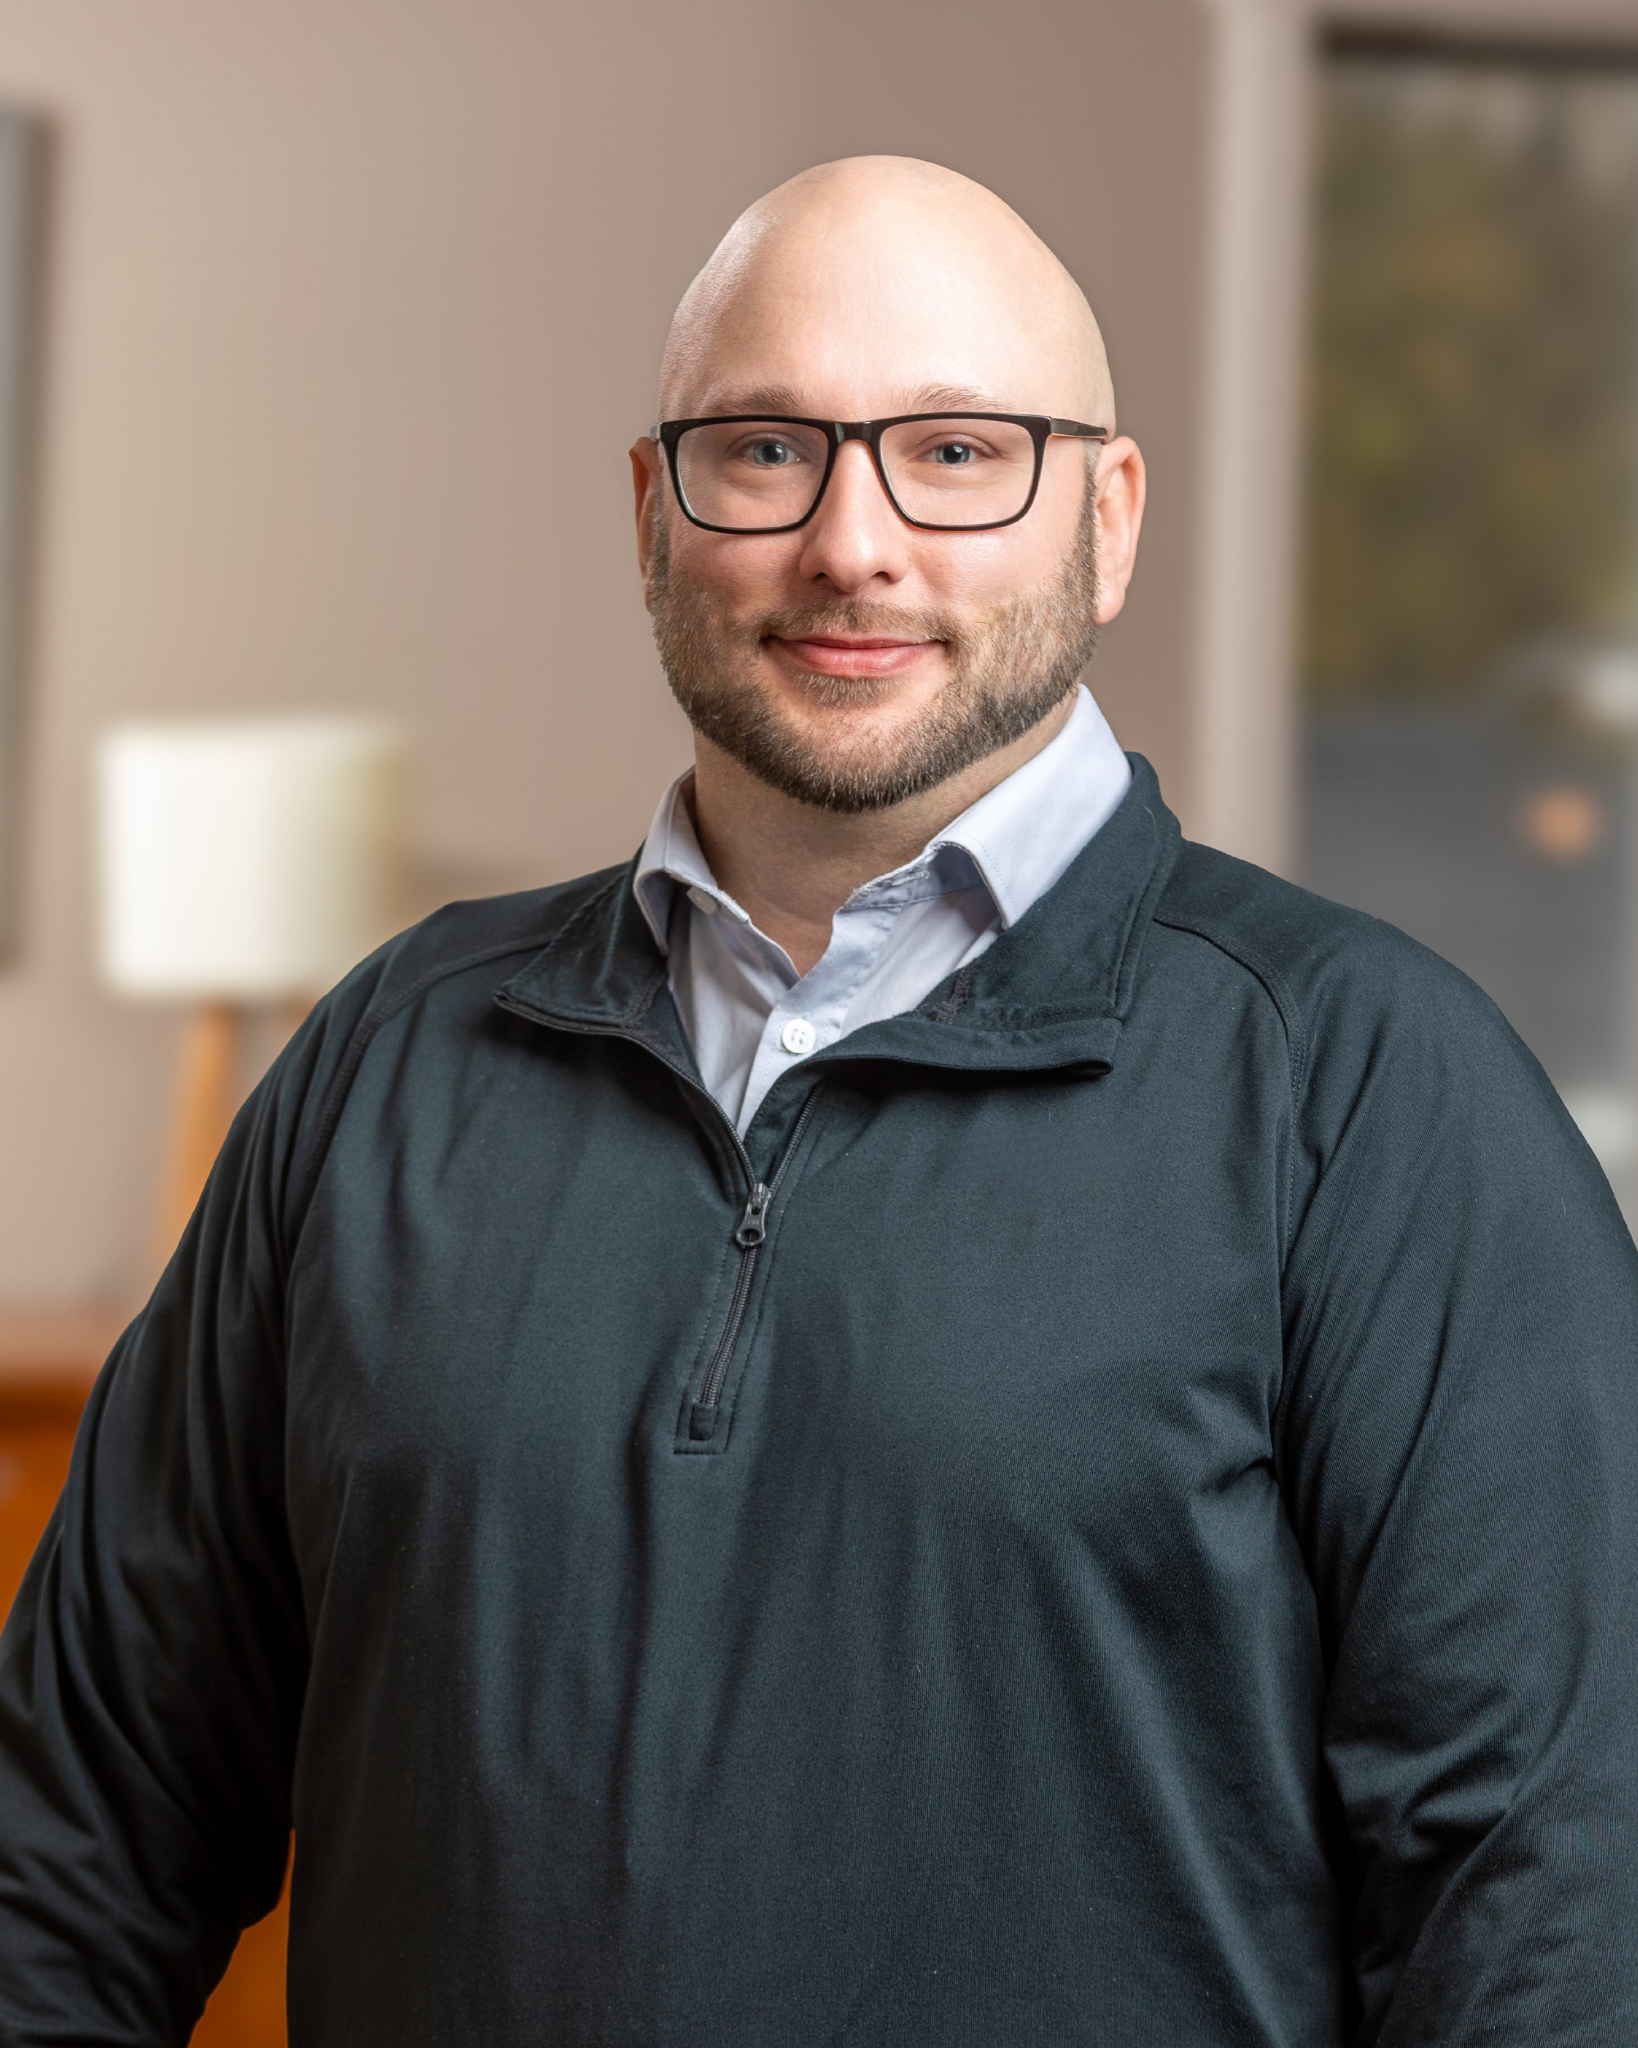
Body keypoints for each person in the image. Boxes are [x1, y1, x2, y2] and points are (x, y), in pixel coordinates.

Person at [0, 155, 1634, 2047]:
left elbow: (1553, 1937)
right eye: (768, 449)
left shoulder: (1374, 1094)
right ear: (650, 510)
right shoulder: (386, 1063)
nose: (852, 544)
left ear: (1106, 521)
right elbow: (68, 1852)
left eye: (957, 452)